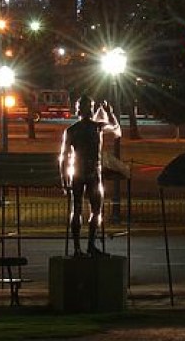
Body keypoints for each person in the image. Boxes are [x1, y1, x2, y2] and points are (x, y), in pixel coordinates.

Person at [59, 95, 121, 256]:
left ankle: (79, 248)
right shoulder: (96, 127)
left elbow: (63, 157)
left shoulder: (73, 130)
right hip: (91, 172)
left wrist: (64, 180)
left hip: (80, 172)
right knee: (93, 210)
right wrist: (110, 113)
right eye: (91, 106)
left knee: (79, 209)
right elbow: (117, 130)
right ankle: (87, 246)